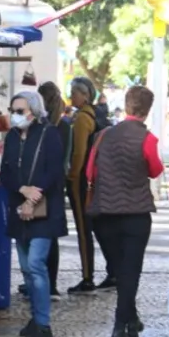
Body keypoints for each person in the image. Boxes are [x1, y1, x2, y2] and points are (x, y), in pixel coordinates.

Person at [86, 86, 164, 337]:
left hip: (103, 214)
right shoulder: (148, 139)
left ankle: (132, 319)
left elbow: (89, 173)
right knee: (130, 272)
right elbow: (155, 170)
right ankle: (120, 331)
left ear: (127, 105)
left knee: (120, 270)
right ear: (147, 110)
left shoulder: (103, 135)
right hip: (135, 214)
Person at [0, 91, 66, 337]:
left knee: (37, 264)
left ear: (34, 111)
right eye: (13, 109)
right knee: (27, 268)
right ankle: (36, 317)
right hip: (19, 209)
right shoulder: (12, 138)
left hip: (44, 210)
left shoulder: (49, 134)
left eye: (20, 110)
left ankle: (43, 324)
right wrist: (22, 190)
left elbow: (54, 170)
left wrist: (32, 196)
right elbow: (5, 171)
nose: (15, 115)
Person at [65, 77, 114, 294]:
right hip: (99, 179)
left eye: (75, 93)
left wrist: (73, 177)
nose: (71, 96)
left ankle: (87, 277)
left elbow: (79, 152)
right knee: (101, 228)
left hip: (83, 181)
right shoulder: (99, 114)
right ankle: (113, 271)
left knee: (84, 230)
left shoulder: (83, 118)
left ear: (85, 96)